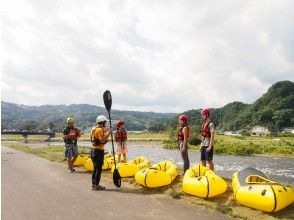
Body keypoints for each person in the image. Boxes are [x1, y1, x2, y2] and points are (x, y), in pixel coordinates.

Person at [90, 115, 112, 190]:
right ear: (102, 122)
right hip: (98, 151)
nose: (105, 124)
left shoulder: (94, 129)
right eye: (105, 122)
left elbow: (99, 134)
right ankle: (96, 185)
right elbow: (102, 140)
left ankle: (94, 184)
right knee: (98, 169)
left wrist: (106, 130)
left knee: (95, 168)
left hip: (93, 150)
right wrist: (109, 133)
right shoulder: (100, 130)